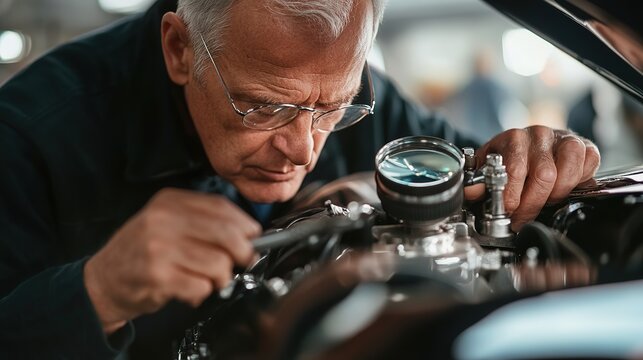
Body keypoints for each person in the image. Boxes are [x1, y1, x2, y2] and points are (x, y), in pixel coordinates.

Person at [0, 0, 600, 358]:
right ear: (180, 49)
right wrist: (95, 294)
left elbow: (460, 169)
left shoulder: (367, 100)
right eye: (262, 107)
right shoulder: (30, 137)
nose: (303, 148)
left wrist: (535, 159)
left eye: (333, 108)